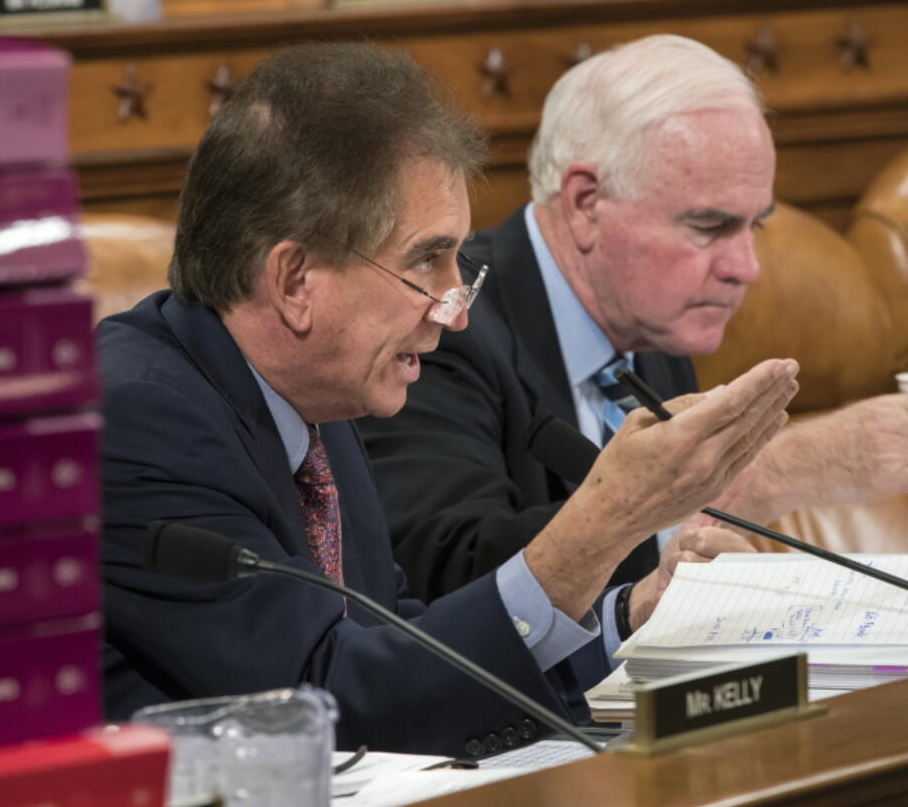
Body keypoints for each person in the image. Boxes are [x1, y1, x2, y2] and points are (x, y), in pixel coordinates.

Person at [97, 41, 796, 757]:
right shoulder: (140, 420)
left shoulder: (317, 398)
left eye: (457, 260)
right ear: (296, 280)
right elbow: (329, 704)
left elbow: (401, 645)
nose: (455, 310)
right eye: (424, 261)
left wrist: (627, 615)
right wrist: (604, 523)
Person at [358, 34, 908, 650]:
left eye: (753, 225)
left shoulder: (657, 327)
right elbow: (450, 581)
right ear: (587, 202)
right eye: (709, 226)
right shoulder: (448, 323)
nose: (747, 267)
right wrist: (755, 477)